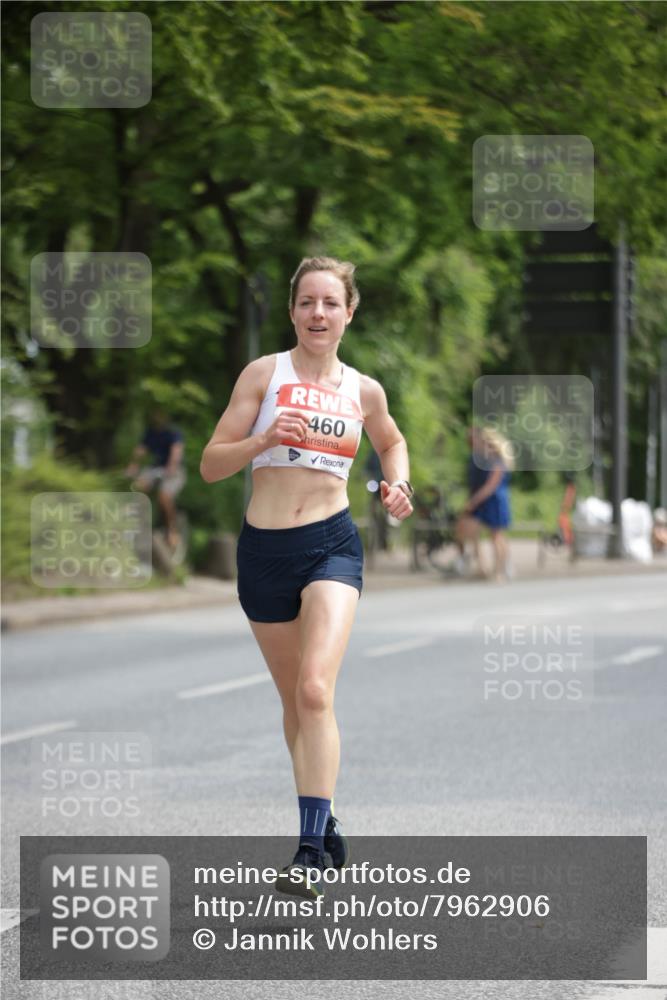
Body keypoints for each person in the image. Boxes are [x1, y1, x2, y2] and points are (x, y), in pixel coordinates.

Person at [200, 256, 414, 899]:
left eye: (330, 303)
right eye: (306, 303)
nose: (317, 314)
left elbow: (392, 441)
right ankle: (324, 810)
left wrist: (397, 484)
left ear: (349, 313)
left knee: (316, 691)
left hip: (331, 546)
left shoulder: (363, 389)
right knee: (294, 699)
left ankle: (309, 849)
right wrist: (262, 440)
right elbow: (211, 464)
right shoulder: (264, 375)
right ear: (292, 311)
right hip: (264, 552)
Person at [456, 425, 513, 581]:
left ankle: (499, 571)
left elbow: (490, 487)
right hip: (484, 501)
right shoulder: (480, 459)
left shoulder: (497, 462)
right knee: (473, 533)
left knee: (496, 536)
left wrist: (473, 502)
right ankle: (482, 567)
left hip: (495, 501)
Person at [125, 408, 186, 549]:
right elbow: (140, 450)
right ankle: (135, 524)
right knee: (138, 488)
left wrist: (171, 468)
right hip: (156, 469)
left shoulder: (173, 432)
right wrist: (133, 466)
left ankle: (172, 530)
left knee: (164, 496)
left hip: (174, 471)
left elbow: (176, 452)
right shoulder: (150, 432)